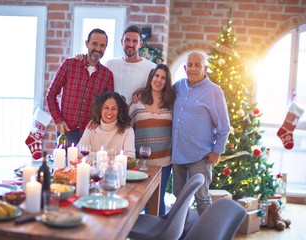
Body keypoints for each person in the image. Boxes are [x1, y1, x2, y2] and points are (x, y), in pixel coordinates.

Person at [172, 52, 230, 216]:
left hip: (200, 156)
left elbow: (224, 126)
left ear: (205, 68)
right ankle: (180, 233)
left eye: (198, 65)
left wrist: (217, 151)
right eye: (190, 65)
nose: (193, 68)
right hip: (177, 155)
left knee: (202, 199)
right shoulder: (178, 86)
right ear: (185, 68)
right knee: (179, 198)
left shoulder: (214, 91)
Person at [46, 28, 114, 145]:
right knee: (63, 163)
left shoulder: (107, 75)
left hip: (91, 133)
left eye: (102, 45)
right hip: (67, 132)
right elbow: (51, 95)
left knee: (89, 163)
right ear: (87, 44)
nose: (98, 48)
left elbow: (108, 105)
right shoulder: (70, 65)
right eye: (94, 44)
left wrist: (97, 120)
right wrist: (58, 120)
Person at [129, 64, 176, 215]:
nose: (159, 80)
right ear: (151, 77)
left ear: (166, 82)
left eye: (163, 78)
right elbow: (127, 127)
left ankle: (158, 234)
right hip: (141, 163)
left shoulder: (171, 103)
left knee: (158, 200)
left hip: (163, 162)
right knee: (140, 200)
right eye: (156, 76)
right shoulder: (138, 101)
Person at [77, 92, 135, 159]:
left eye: (114, 108)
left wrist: (92, 155)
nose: (109, 112)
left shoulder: (127, 131)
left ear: (119, 111)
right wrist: (110, 157)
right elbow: (78, 151)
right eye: (106, 107)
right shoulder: (91, 128)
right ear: (100, 109)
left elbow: (130, 156)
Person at [105, 25, 155, 103]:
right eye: (127, 40)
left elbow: (157, 93)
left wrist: (144, 93)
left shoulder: (151, 67)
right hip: (114, 114)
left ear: (140, 44)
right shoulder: (110, 64)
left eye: (135, 41)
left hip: (139, 114)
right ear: (122, 42)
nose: (130, 44)